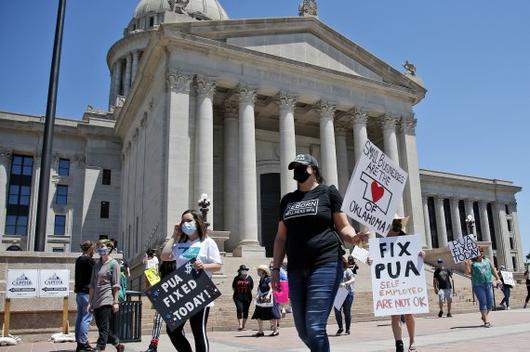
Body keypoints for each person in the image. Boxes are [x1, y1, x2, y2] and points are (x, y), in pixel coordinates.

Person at [271, 154, 368, 351]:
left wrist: (354, 237)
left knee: (315, 327)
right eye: (294, 168)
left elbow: (343, 226)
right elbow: (281, 237)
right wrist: (275, 268)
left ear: (313, 169)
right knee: (303, 330)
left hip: (325, 263)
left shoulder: (328, 192)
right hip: (296, 268)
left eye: (301, 167)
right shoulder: (287, 200)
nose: (297, 171)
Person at [160, 209, 222, 352]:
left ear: (197, 222)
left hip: (200, 292)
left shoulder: (207, 242)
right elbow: (164, 256)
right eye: (183, 221)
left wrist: (204, 266)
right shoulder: (181, 244)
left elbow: (218, 265)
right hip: (183, 293)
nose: (185, 223)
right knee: (172, 330)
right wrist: (174, 235)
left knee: (198, 332)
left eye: (189, 220)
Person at [383, 215, 423, 352]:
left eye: (399, 221)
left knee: (408, 314)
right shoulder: (382, 241)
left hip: (405, 281)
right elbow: (378, 259)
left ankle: (412, 341)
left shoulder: (406, 238)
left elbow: (417, 253)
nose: (397, 223)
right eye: (395, 221)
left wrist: (421, 253)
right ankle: (398, 343)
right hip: (391, 282)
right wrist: (371, 259)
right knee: (394, 315)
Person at [88, 239, 125, 352]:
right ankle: (118, 345)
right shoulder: (97, 265)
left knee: (103, 327)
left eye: (102, 246)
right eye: (98, 247)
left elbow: (116, 285)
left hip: (107, 298)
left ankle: (99, 348)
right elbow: (92, 285)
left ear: (109, 248)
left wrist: (115, 302)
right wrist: (90, 302)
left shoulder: (114, 264)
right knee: (103, 328)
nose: (100, 249)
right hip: (96, 300)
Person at [143, 260, 177, 352]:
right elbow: (160, 279)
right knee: (157, 320)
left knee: (177, 323)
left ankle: (183, 347)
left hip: (175, 295)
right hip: (163, 295)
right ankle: (153, 346)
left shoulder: (177, 262)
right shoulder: (162, 265)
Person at [464, 247, 500, 328]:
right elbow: (467, 273)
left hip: (488, 283)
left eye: (481, 252)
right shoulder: (472, 262)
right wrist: (466, 265)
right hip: (478, 285)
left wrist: (498, 278)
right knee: (483, 302)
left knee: (490, 304)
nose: (480, 253)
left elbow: (492, 270)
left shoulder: (487, 260)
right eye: (478, 252)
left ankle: (484, 316)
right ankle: (486, 321)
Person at [75, 241, 95, 352]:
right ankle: (83, 344)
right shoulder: (89, 260)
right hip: (87, 293)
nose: (94, 251)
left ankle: (79, 343)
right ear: (90, 249)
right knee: (86, 318)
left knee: (80, 318)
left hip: (79, 293)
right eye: (94, 249)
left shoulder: (79, 259)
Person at [251, 265, 280, 337]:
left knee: (272, 314)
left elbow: (272, 288)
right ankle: (260, 331)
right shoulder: (261, 279)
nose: (258, 272)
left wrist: (268, 295)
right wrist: (258, 295)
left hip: (269, 300)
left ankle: (275, 330)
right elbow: (259, 288)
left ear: (263, 272)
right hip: (262, 300)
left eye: (259, 271)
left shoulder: (268, 278)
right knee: (258, 314)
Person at [334, 257, 355, 336]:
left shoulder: (347, 270)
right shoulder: (335, 271)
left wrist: (345, 283)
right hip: (338, 294)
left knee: (347, 311)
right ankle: (340, 328)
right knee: (337, 311)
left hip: (348, 293)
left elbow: (353, 279)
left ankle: (348, 329)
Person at [232, 264, 254, 331]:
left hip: (247, 297)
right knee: (239, 309)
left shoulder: (249, 278)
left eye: (245, 270)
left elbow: (252, 287)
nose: (244, 271)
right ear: (240, 271)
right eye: (243, 270)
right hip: (238, 297)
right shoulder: (236, 278)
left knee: (245, 311)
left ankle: (244, 326)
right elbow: (233, 286)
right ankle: (240, 325)